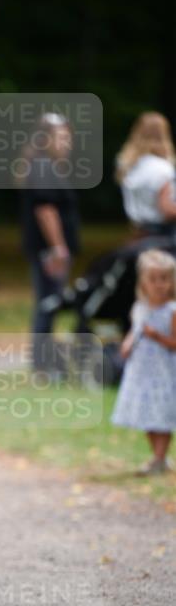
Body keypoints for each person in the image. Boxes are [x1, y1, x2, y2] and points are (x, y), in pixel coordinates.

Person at [19, 113, 80, 372]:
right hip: (48, 251)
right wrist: (58, 248)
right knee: (48, 303)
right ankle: (43, 364)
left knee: (49, 302)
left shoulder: (47, 167)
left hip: (49, 250)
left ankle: (44, 361)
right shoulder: (43, 168)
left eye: (68, 138)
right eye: (61, 137)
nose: (67, 143)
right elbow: (46, 211)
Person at [112, 249, 176, 474]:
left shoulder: (172, 311)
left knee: (162, 417)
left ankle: (159, 458)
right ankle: (158, 458)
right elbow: (136, 330)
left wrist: (157, 337)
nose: (159, 284)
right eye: (153, 279)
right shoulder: (140, 308)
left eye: (164, 279)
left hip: (163, 374)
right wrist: (127, 343)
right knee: (148, 416)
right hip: (142, 373)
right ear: (143, 282)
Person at [116, 112, 176, 238]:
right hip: (162, 235)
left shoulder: (128, 165)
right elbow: (166, 209)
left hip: (138, 232)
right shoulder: (162, 168)